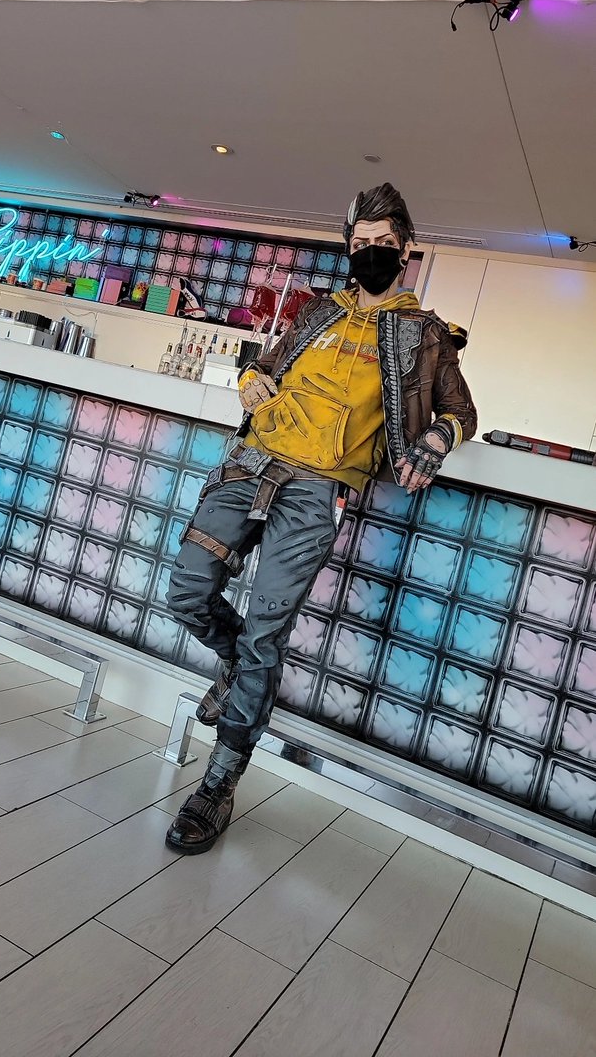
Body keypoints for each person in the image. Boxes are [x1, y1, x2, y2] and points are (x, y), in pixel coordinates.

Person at [165, 183, 477, 854]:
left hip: (318, 491)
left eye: (384, 244)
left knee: (265, 635)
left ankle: (217, 784)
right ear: (348, 248)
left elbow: (461, 413)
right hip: (250, 464)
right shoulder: (316, 311)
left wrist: (437, 437)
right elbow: (263, 369)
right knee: (187, 590)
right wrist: (249, 381)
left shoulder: (426, 334)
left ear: (405, 251)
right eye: (361, 243)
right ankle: (231, 666)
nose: (371, 253)